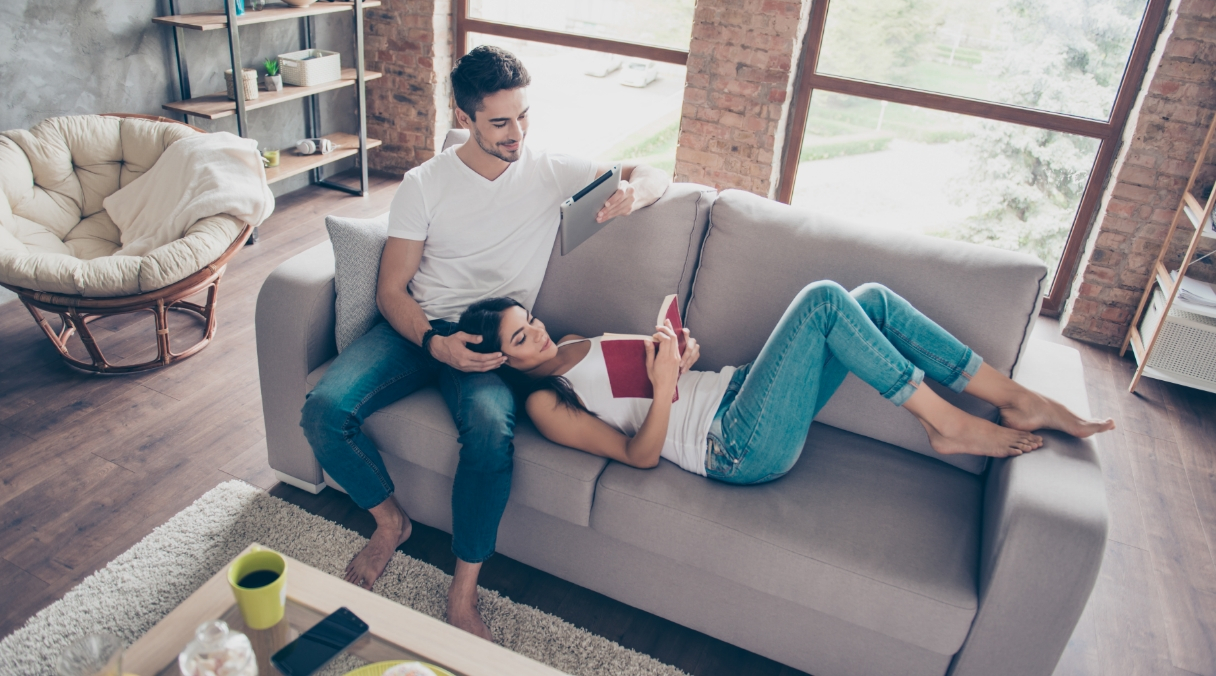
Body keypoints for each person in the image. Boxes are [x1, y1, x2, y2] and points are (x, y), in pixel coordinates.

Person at [299, 45, 670, 638]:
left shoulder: (549, 170)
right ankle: (390, 521)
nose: (516, 133)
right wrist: (433, 342)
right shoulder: (425, 184)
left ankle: (463, 590)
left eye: (524, 116)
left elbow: (650, 169)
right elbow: (392, 291)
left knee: (491, 433)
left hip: (495, 343)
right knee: (322, 411)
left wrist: (636, 194)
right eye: (500, 121)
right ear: (464, 116)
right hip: (418, 330)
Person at [455, 282, 1115, 483]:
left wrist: (676, 361)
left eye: (531, 321)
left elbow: (648, 378)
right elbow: (640, 454)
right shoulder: (544, 403)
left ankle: (1010, 398)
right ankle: (945, 421)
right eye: (521, 339)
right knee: (826, 298)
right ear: (500, 361)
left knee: (874, 302)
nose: (538, 335)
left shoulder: (568, 343)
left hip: (735, 391)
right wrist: (663, 389)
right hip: (732, 446)